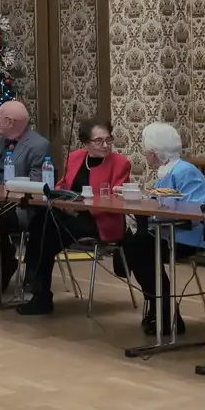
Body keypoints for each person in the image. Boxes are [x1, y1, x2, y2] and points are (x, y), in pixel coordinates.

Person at [16, 119, 133, 316]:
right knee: (41, 223)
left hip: (100, 220)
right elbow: (61, 186)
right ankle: (39, 290)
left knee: (47, 234)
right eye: (99, 141)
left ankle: (39, 293)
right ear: (85, 142)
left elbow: (116, 198)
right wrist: (64, 204)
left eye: (108, 139)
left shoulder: (120, 163)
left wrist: (80, 206)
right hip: (70, 214)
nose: (105, 145)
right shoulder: (75, 157)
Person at [121, 121, 205, 333]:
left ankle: (164, 312)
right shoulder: (167, 171)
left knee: (139, 246)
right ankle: (160, 308)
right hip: (171, 233)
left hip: (193, 237)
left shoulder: (184, 171)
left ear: (154, 152)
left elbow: (197, 210)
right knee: (133, 241)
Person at [0, 99, 48, 291]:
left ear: (10, 121)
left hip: (17, 205)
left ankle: (0, 271)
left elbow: (35, 186)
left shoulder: (38, 145)